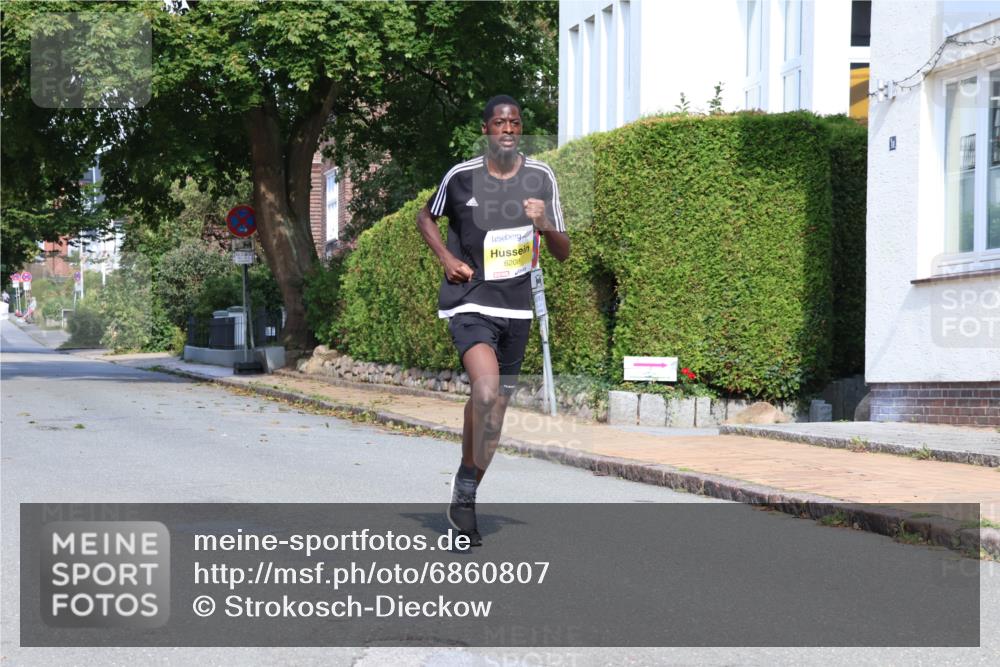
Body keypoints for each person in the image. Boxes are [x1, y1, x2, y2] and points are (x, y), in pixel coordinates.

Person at [416, 95, 570, 545]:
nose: (507, 129)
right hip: (470, 300)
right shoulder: (461, 176)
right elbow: (425, 216)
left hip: (516, 306)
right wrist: (446, 257)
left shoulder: (542, 177)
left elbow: (563, 251)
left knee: (495, 412)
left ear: (520, 130)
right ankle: (466, 491)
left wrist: (544, 224)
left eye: (515, 123)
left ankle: (466, 489)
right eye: (499, 123)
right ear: (485, 130)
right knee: (484, 391)